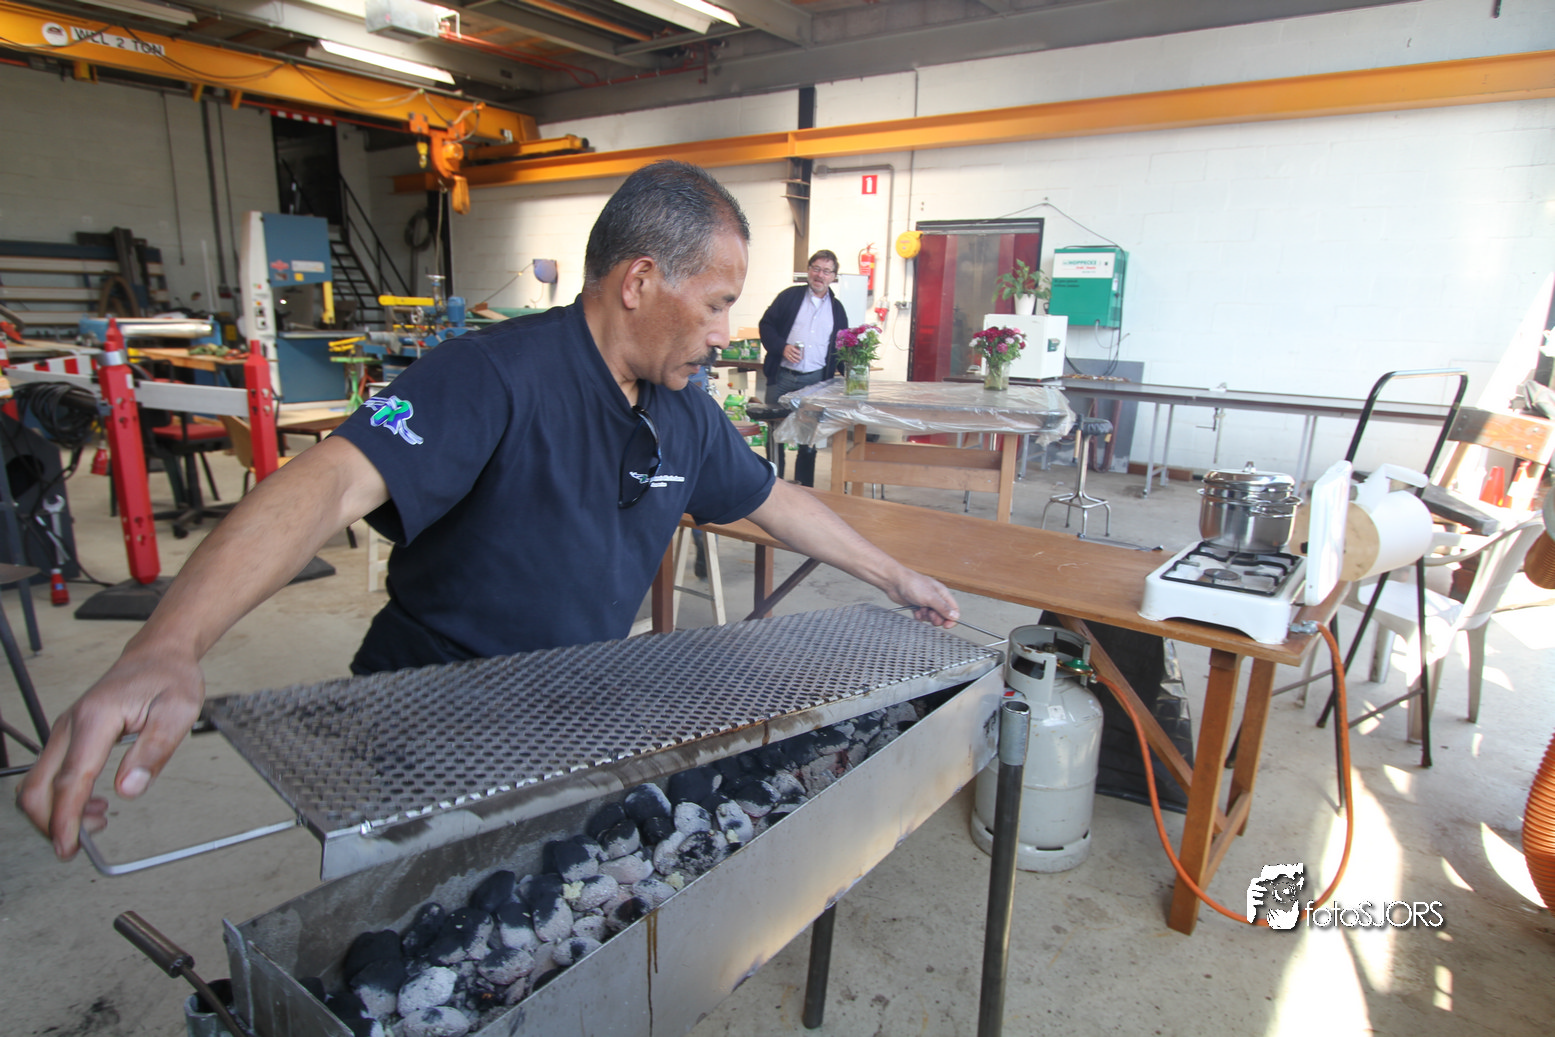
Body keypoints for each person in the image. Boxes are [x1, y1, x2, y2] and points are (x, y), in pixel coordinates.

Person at [17, 161, 959, 861]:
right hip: (422, 715)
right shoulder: (491, 375)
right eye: (715, 305)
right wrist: (171, 643)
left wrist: (895, 575)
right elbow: (329, 483)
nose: (724, 334)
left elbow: (772, 498)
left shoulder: (683, 410)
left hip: (568, 712)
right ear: (638, 282)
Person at [758, 250, 849, 487]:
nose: (820, 275)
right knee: (775, 435)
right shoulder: (789, 297)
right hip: (782, 377)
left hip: (815, 383)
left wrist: (854, 374)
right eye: (816, 268)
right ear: (808, 270)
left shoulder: (837, 309)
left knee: (808, 440)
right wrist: (781, 347)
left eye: (826, 271)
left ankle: (805, 489)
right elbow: (766, 325)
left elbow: (841, 348)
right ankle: (773, 486)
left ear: (833, 277)